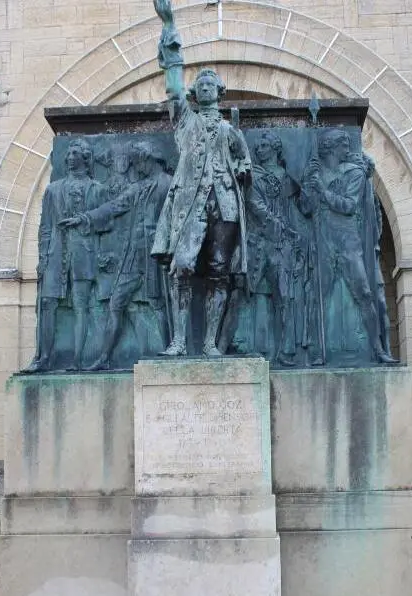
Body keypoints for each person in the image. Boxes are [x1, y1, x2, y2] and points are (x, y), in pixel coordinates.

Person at [150, 0, 252, 357]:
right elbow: (174, 86)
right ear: (196, 94)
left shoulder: (229, 129)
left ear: (220, 92)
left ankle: (210, 343)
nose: (206, 86)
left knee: (219, 271)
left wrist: (242, 170)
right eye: (201, 83)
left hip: (224, 207)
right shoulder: (185, 120)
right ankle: (179, 341)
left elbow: (244, 162)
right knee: (181, 267)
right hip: (191, 203)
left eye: (212, 83)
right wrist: (169, 25)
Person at [59, 140, 173, 370]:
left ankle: (170, 349)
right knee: (116, 303)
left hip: (157, 255)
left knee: (158, 303)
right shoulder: (138, 187)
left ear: (147, 160)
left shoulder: (169, 185)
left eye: (137, 163)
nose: (134, 168)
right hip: (133, 255)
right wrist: (85, 218)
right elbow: (114, 206)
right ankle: (104, 358)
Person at [305, 129, 397, 364]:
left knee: (364, 294)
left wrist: (323, 192)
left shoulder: (353, 173)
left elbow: (348, 205)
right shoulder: (316, 172)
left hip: (347, 241)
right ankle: (317, 352)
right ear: (330, 147)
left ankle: (378, 350)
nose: (347, 149)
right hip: (323, 240)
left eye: (347, 144)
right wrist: (310, 188)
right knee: (318, 296)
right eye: (342, 145)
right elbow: (306, 208)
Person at [22, 138, 105, 372]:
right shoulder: (53, 190)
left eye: (75, 153)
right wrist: (43, 258)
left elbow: (106, 223)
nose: (69, 158)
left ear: (85, 158)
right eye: (68, 154)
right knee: (48, 303)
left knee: (81, 305)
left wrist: (85, 223)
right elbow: (45, 227)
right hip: (56, 254)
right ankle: (44, 358)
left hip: (84, 255)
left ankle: (78, 360)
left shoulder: (97, 189)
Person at [246, 131, 311, 365]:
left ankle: (286, 350)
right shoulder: (252, 175)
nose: (259, 149)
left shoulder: (286, 177)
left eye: (264, 145)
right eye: (258, 146)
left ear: (275, 148)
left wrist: (309, 182)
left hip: (282, 243)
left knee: (284, 297)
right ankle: (257, 348)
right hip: (258, 241)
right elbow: (253, 204)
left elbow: (305, 208)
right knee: (254, 295)